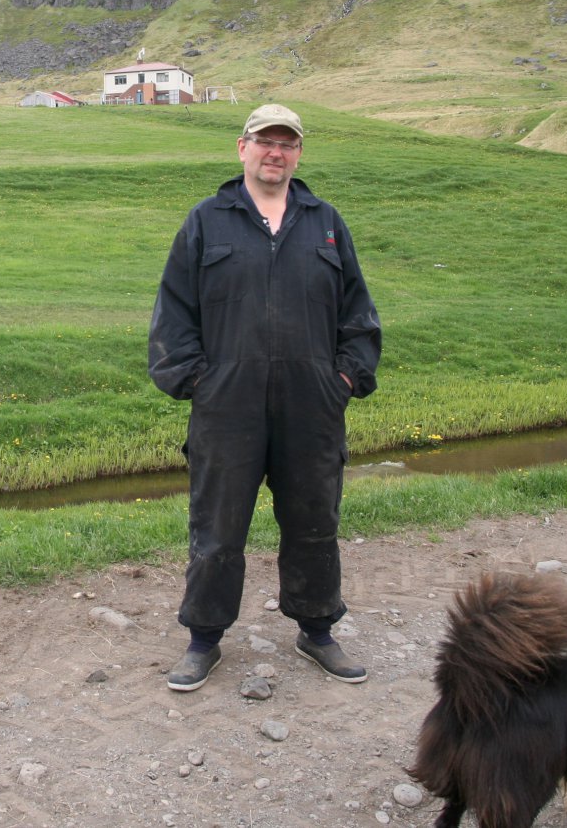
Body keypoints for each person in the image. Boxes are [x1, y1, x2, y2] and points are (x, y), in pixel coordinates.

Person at [148, 103, 381, 692]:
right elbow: (174, 312)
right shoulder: (207, 220)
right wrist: (197, 382)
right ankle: (203, 640)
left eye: (287, 143)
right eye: (265, 141)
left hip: (312, 406)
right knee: (218, 529)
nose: (275, 152)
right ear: (242, 147)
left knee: (314, 522)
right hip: (227, 406)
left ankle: (317, 629)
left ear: (298, 153)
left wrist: (344, 380)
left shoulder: (325, 221)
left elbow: (358, 312)